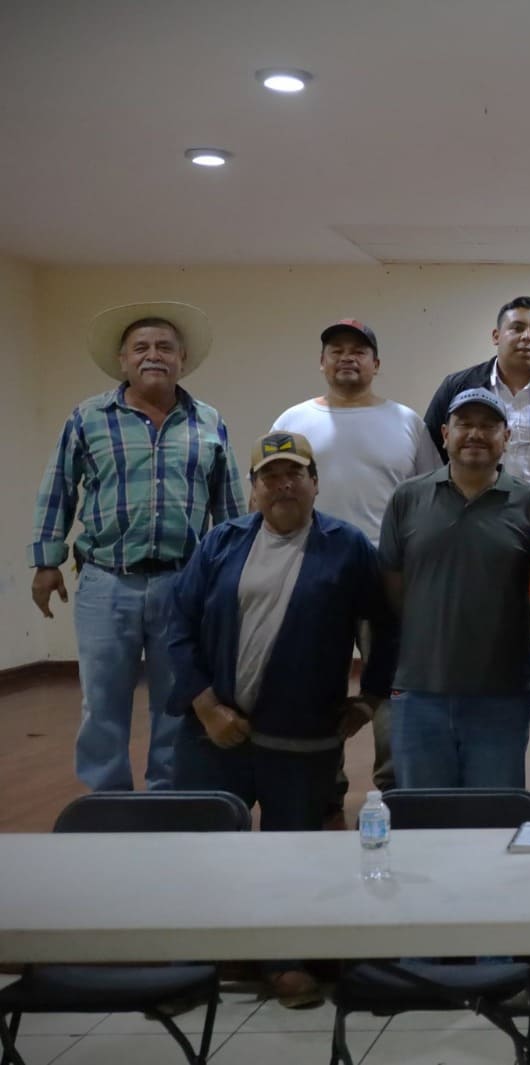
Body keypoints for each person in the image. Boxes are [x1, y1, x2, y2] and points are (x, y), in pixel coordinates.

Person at [167, 431, 395, 1008]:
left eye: (295, 474)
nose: (283, 485)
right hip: (213, 733)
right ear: (253, 489)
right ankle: (193, 961)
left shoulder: (346, 547)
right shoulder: (221, 543)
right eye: (269, 476)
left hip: (301, 738)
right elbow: (178, 627)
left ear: (315, 483)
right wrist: (206, 707)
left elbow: (384, 627)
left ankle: (284, 961)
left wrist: (368, 699)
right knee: (205, 848)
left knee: (291, 852)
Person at [29, 300, 243, 792]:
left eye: (165, 347)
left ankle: (169, 799)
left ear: (182, 359)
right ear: (122, 360)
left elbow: (229, 507)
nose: (153, 355)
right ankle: (108, 801)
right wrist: (46, 562)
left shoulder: (208, 421)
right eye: (141, 347)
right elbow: (58, 488)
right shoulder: (88, 418)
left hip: (182, 585)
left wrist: (232, 577)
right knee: (102, 703)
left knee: (177, 701)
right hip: (106, 581)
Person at [422, 297, 530, 814]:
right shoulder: (459, 387)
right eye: (516, 328)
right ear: (495, 336)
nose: (526, 337)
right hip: (474, 538)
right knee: (481, 654)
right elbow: (432, 452)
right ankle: (472, 767)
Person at [272, 317, 439, 822]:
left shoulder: (406, 421)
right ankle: (324, 783)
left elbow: (431, 495)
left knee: (391, 681)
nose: (347, 357)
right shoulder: (294, 420)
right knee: (316, 677)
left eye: (359, 351)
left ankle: (393, 784)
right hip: (311, 570)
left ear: (376, 364)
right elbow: (272, 492)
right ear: (322, 362)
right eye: (337, 350)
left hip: (387, 571)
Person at [379, 388, 530, 789]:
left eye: (488, 425)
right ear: (445, 434)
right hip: (418, 691)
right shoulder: (408, 498)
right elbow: (394, 584)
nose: (475, 434)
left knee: (492, 814)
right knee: (423, 814)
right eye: (464, 424)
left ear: (506, 437)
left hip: (502, 693)